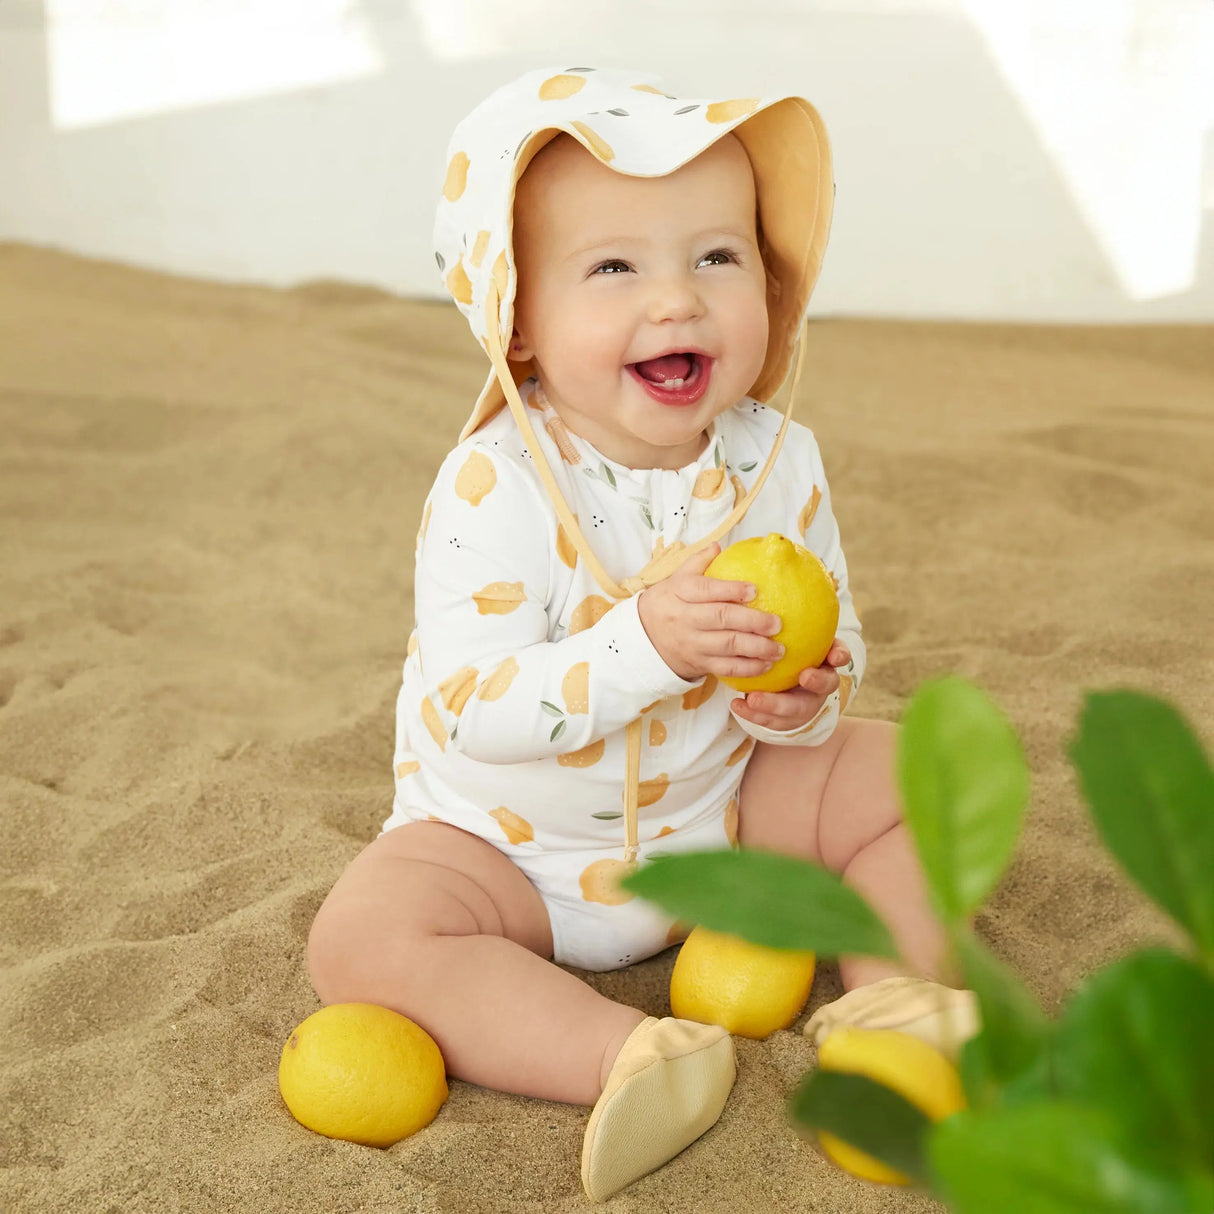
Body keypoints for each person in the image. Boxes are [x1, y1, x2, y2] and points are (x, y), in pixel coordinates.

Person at [307, 66, 976, 1201]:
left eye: (716, 257)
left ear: (772, 285)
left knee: (915, 772)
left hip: (715, 812)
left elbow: (838, 629)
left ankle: (897, 1002)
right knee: (362, 940)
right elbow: (469, 706)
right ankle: (627, 1055)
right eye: (614, 266)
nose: (675, 299)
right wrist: (647, 648)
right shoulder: (491, 484)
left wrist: (811, 687)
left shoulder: (776, 457)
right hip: (505, 851)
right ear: (514, 321)